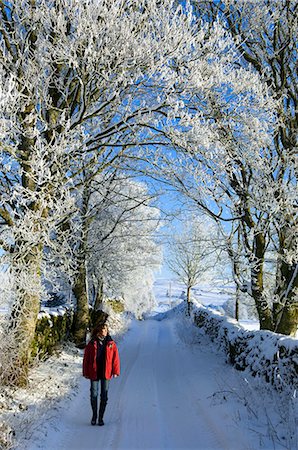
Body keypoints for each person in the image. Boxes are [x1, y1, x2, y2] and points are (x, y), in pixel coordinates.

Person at [83, 322, 120, 426]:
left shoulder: (111, 343)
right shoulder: (91, 343)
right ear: (98, 331)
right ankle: (94, 416)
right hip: (94, 372)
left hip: (106, 372)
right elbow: (86, 359)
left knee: (104, 396)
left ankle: (101, 418)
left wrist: (116, 371)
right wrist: (85, 372)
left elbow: (115, 358)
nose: (104, 332)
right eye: (102, 330)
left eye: (106, 330)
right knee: (93, 395)